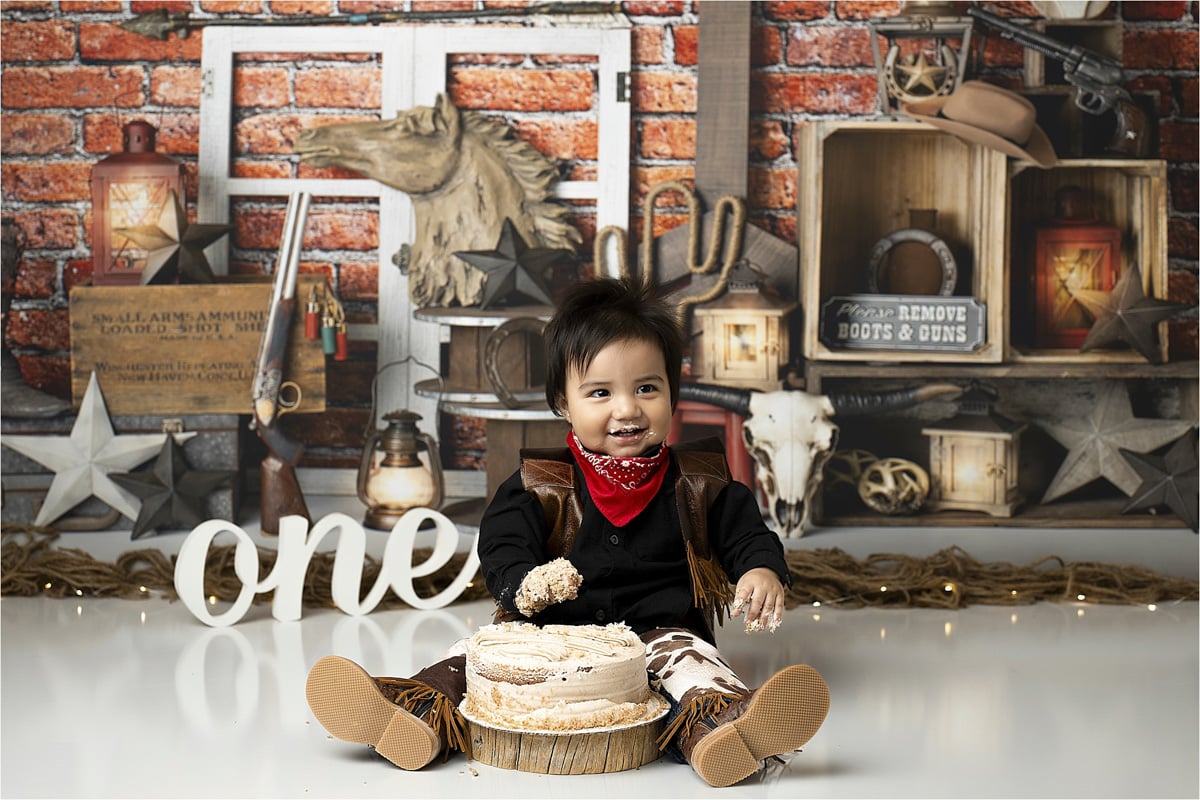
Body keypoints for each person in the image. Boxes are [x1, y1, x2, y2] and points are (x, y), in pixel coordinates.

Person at [306, 277, 829, 788]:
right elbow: (503, 544)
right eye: (600, 392)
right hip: (548, 637)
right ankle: (411, 715)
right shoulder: (542, 483)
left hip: (659, 634)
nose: (627, 409)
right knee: (474, 661)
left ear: (674, 390)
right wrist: (524, 586)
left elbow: (745, 533)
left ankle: (725, 730)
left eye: (647, 388)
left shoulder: (700, 480)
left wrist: (759, 568)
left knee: (691, 668)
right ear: (563, 402)